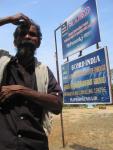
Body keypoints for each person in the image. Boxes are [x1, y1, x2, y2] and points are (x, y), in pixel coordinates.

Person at [0, 13, 63, 150]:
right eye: (22, 34)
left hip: (35, 144)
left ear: (38, 42)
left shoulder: (44, 71)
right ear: (15, 41)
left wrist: (21, 90)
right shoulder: (2, 62)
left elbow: (57, 104)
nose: (27, 36)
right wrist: (8, 19)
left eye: (32, 34)